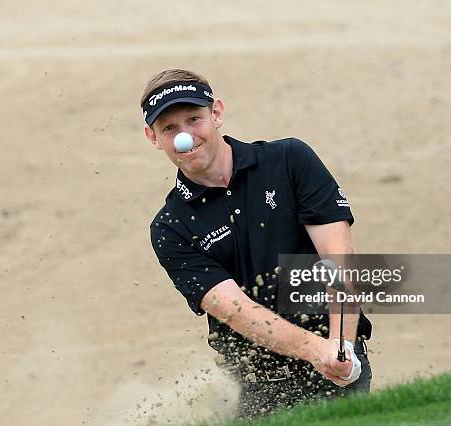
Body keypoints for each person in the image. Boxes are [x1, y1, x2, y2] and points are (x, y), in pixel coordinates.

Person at [142, 69, 372, 419]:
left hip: (340, 364)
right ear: (153, 137)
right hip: (257, 388)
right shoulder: (170, 227)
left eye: (194, 119)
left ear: (216, 113)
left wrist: (341, 346)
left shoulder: (289, 160)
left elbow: (338, 257)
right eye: (169, 128)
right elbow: (237, 311)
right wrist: (317, 351)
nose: (185, 136)